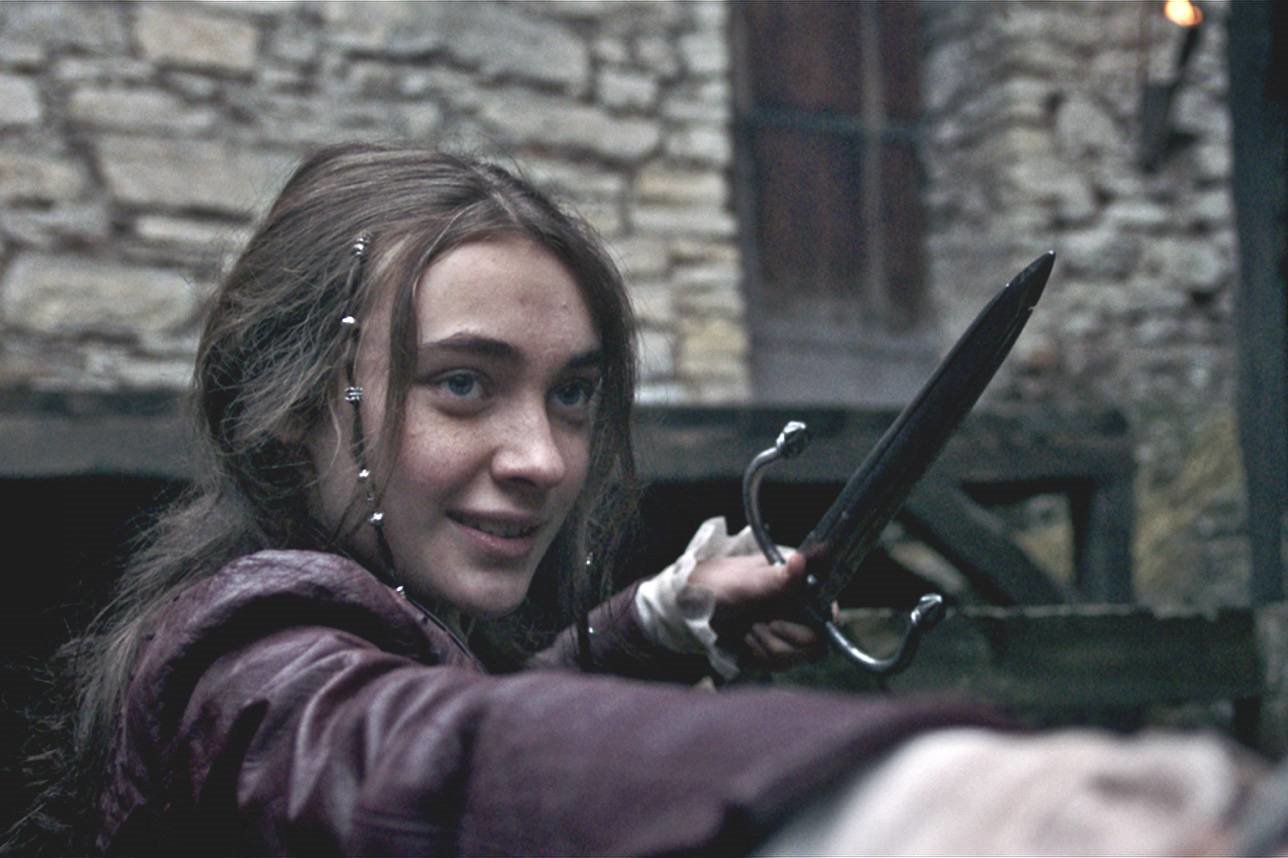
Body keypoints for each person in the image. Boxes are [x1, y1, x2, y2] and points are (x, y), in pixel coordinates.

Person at [7, 142, 1269, 856]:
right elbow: (427, 757)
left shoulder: (364, 612)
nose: (543, 458)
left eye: (570, 395)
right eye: (461, 384)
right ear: (294, 404)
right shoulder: (243, 651)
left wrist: (653, 626)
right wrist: (914, 806)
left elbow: (479, 694)